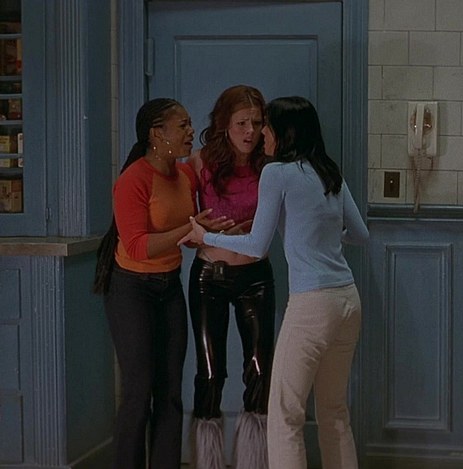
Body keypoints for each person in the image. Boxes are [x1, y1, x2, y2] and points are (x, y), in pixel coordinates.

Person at [179, 96, 369, 469]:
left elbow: (256, 245)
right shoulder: (329, 171)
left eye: (266, 124)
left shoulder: (277, 173)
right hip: (347, 300)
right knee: (334, 411)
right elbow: (360, 235)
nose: (261, 132)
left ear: (284, 132)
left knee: (285, 416)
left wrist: (206, 237)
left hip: (312, 306)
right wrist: (324, 237)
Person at [92, 98, 233, 469]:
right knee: (138, 392)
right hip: (130, 289)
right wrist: (191, 228)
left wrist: (206, 233)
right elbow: (138, 246)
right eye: (182, 125)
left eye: (189, 124)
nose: (191, 131)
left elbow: (185, 236)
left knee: (170, 392)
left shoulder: (185, 175)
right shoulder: (132, 180)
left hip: (169, 287)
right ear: (157, 134)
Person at [187, 84, 275, 469]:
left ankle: (254, 459)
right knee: (210, 370)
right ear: (224, 124)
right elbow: (184, 228)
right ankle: (207, 459)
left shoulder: (271, 166)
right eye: (241, 123)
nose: (250, 131)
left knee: (259, 366)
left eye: (256, 122)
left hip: (255, 276)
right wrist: (200, 230)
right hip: (210, 276)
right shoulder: (198, 162)